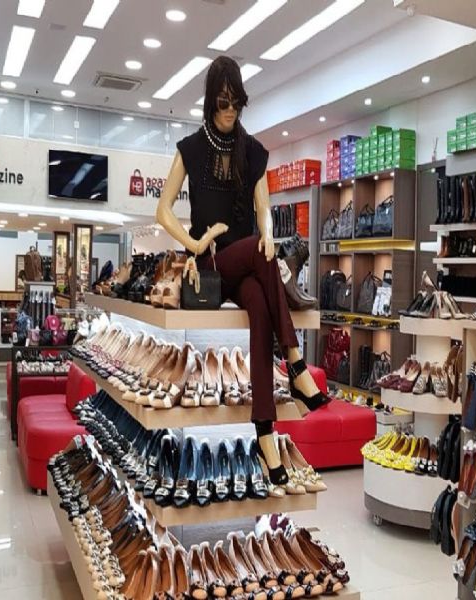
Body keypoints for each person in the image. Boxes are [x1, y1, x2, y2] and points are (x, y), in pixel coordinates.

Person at [155, 56, 329, 488]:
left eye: (236, 103)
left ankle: (265, 433)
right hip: (211, 266)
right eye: (223, 103)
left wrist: (267, 231)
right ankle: (296, 363)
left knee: (260, 306)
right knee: (258, 251)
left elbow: (263, 207)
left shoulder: (252, 151)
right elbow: (162, 210)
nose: (231, 111)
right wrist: (195, 243)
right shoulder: (191, 148)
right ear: (211, 103)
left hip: (249, 266)